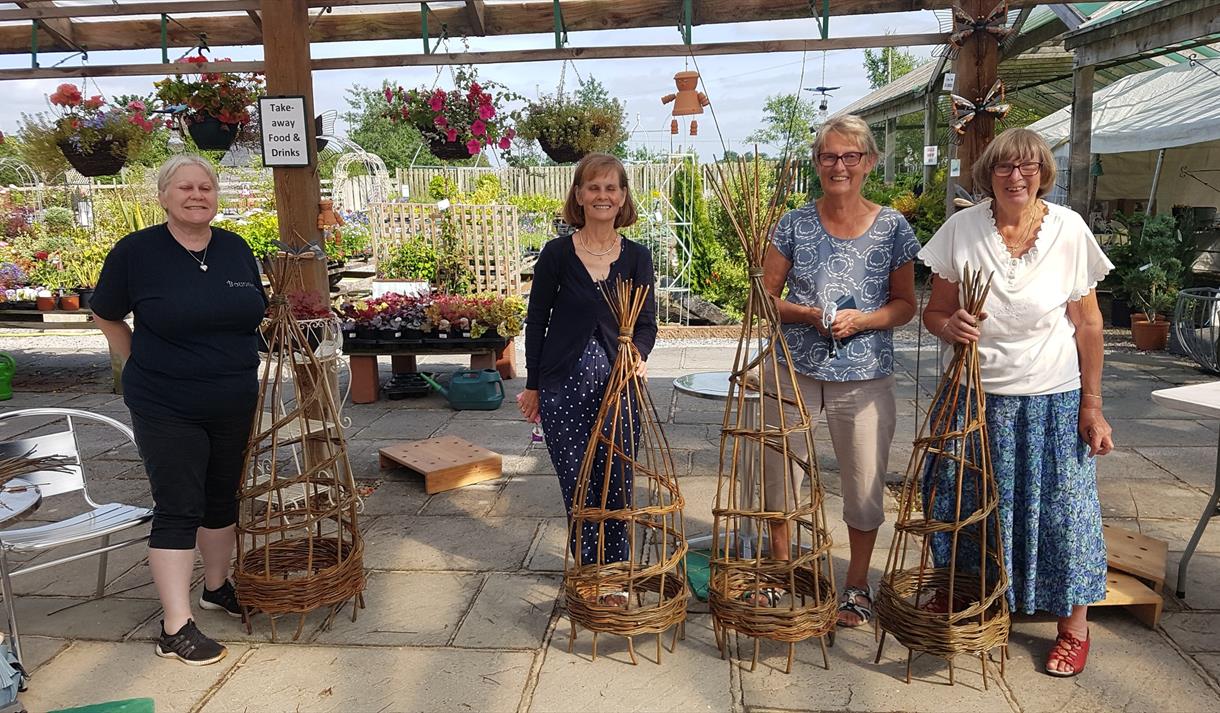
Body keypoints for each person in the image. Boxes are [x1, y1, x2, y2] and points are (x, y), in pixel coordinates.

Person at [919, 127, 1114, 678]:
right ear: (989, 174)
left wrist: (1092, 405)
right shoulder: (961, 230)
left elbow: (1089, 322)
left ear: (1043, 173)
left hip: (1053, 398)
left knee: (1065, 513)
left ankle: (1073, 627)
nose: (1017, 176)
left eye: (1028, 166)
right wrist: (948, 325)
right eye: (1005, 167)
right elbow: (934, 314)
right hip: (976, 396)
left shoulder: (1069, 231)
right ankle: (965, 598)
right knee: (962, 504)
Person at [91, 154, 267, 666]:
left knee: (221, 497)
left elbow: (249, 312)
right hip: (167, 402)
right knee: (179, 505)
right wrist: (139, 362)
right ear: (164, 196)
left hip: (232, 396)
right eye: (185, 188)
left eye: (206, 187)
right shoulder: (137, 252)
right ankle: (175, 626)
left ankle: (216, 588)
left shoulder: (235, 248)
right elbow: (106, 314)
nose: (197, 195)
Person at [761, 115, 920, 625]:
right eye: (829, 156)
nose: (839, 166)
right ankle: (781, 570)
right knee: (778, 468)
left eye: (851, 156)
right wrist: (808, 314)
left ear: (869, 162)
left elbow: (905, 305)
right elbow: (761, 299)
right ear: (817, 164)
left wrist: (865, 320)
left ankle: (856, 585)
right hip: (794, 367)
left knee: (863, 479)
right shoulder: (794, 223)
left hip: (865, 374)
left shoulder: (893, 226)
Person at [517, 153, 656, 606]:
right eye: (593, 187)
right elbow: (536, 321)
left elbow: (647, 322)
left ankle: (613, 575)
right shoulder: (557, 254)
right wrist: (534, 384)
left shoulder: (638, 257)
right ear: (578, 194)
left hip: (617, 385)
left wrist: (638, 353)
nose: (602, 195)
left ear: (622, 198)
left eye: (611, 187)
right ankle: (589, 567)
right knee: (577, 481)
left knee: (616, 477)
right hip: (564, 386)